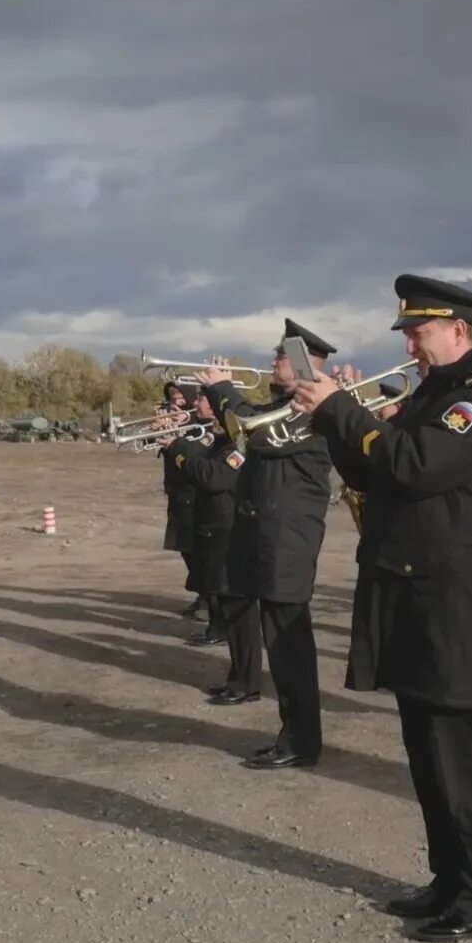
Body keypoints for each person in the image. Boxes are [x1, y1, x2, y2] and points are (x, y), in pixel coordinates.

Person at [290, 273, 472, 943]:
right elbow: (374, 469)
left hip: (455, 598)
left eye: (419, 333)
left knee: (464, 753)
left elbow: (414, 465)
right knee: (428, 750)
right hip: (416, 587)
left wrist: (344, 409)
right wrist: (337, 418)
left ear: (458, 330)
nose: (412, 347)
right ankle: (450, 880)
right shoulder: (442, 391)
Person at [197, 321, 335, 771]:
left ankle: (301, 740)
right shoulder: (287, 405)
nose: (272, 361)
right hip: (269, 535)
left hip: (289, 540)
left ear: (301, 365)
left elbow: (254, 434)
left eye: (281, 356)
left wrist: (220, 391)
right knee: (281, 645)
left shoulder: (310, 411)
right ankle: (293, 734)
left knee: (290, 648)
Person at [170, 390, 240, 660]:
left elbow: (212, 477)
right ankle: (216, 625)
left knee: (220, 580)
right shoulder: (215, 436)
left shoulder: (236, 444)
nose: (194, 404)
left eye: (201, 399)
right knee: (209, 576)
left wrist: (177, 449)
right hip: (207, 515)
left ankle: (221, 628)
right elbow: (196, 456)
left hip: (224, 518)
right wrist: (176, 443)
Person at [155, 384, 208, 623]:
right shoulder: (179, 421)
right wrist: (164, 432)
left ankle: (209, 599)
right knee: (184, 547)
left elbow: (201, 451)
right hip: (176, 490)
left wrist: (182, 431)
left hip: (196, 492)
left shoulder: (202, 422)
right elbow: (168, 453)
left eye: (180, 396)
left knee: (199, 551)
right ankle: (202, 594)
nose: (176, 401)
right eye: (172, 397)